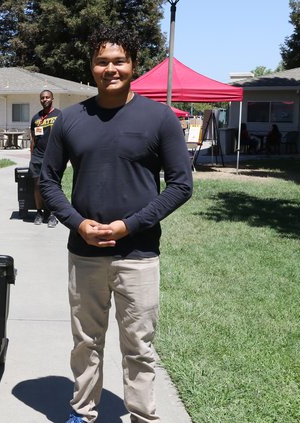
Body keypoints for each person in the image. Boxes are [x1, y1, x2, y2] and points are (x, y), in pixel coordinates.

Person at [40, 27, 193, 423]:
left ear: (133, 65)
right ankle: (83, 411)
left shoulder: (158, 118)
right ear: (91, 67)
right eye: (102, 61)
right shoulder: (71, 120)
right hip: (85, 254)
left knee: (139, 346)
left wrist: (130, 225)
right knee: (86, 342)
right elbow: (47, 181)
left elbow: (181, 184)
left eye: (119, 60)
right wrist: (77, 224)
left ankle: (142, 415)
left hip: (138, 255)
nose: (111, 68)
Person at [30, 90, 61, 227]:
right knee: (37, 185)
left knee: (53, 185)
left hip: (54, 155)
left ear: (52, 98)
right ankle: (39, 212)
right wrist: (32, 155)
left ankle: (53, 214)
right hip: (38, 156)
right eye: (42, 98)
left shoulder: (59, 115)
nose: (45, 99)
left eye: (47, 97)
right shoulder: (36, 118)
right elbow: (33, 138)